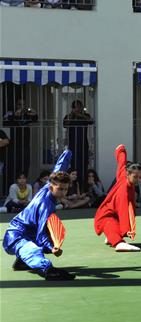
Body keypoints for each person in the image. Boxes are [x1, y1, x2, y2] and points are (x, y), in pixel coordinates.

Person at [3, 149, 75, 280]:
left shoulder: (48, 185)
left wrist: (67, 154)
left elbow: (59, 168)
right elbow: (41, 234)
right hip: (15, 237)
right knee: (33, 249)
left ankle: (21, 262)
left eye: (65, 189)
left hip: (28, 231)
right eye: (60, 189)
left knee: (48, 237)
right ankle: (46, 269)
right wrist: (52, 248)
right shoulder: (45, 205)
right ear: (52, 187)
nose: (63, 193)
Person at [93, 145, 141, 252]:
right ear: (128, 174)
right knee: (114, 232)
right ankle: (117, 242)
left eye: (140, 177)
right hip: (106, 215)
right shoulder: (124, 190)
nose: (138, 180)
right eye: (136, 177)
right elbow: (124, 211)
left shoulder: (123, 176)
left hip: (112, 214)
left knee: (114, 226)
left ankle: (111, 236)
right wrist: (127, 231)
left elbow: (122, 163)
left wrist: (121, 150)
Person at [3, 98, 38, 182]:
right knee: (13, 167)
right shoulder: (10, 113)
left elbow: (36, 118)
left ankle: (23, 185)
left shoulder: (27, 114)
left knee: (25, 165)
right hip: (13, 146)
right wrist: (15, 115)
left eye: (23, 105)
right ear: (16, 105)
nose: (21, 107)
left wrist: (34, 112)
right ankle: (12, 186)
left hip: (25, 145)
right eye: (19, 104)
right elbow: (4, 120)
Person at [63, 99, 94, 183]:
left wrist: (80, 115)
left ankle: (83, 181)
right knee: (74, 164)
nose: (78, 109)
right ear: (72, 108)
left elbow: (91, 121)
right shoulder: (69, 116)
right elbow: (65, 124)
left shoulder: (85, 115)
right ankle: (74, 182)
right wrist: (73, 115)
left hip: (83, 143)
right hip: (72, 144)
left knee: (84, 164)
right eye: (76, 107)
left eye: (80, 107)